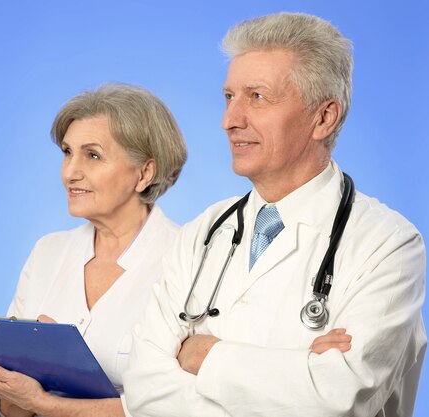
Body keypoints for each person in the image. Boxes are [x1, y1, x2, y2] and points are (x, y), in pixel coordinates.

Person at [123, 12, 426, 417]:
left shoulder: (387, 245)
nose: (229, 120)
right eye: (229, 96)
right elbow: (143, 391)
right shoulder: (203, 232)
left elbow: (338, 401)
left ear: (324, 117)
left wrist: (203, 356)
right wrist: (297, 369)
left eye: (257, 96)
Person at [0, 83, 188, 417]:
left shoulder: (187, 259)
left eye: (92, 155)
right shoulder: (47, 252)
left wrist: (43, 401)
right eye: (67, 152)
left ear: (144, 173)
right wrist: (15, 381)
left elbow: (180, 403)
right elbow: (8, 406)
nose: (70, 173)